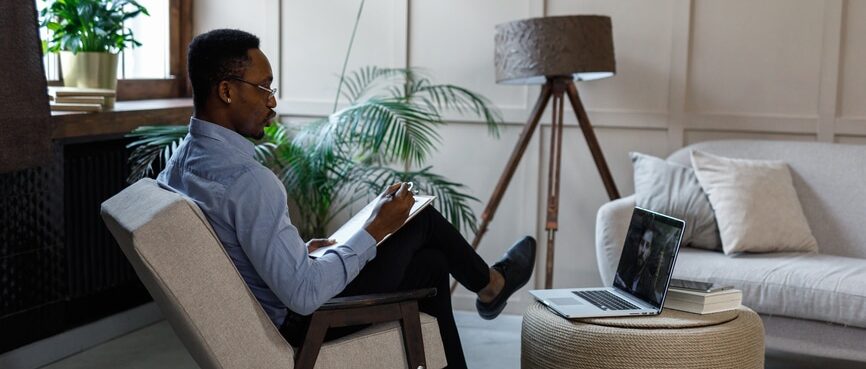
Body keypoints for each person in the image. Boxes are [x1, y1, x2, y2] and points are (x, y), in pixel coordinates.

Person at [157, 28, 535, 369]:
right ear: (226, 91)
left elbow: (234, 250)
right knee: (419, 220)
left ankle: (489, 289)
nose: (272, 102)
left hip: (275, 301)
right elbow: (304, 294)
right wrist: (375, 229)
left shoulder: (178, 164)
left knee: (432, 263)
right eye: (264, 88)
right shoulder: (248, 182)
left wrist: (296, 251)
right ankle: (491, 285)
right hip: (307, 322)